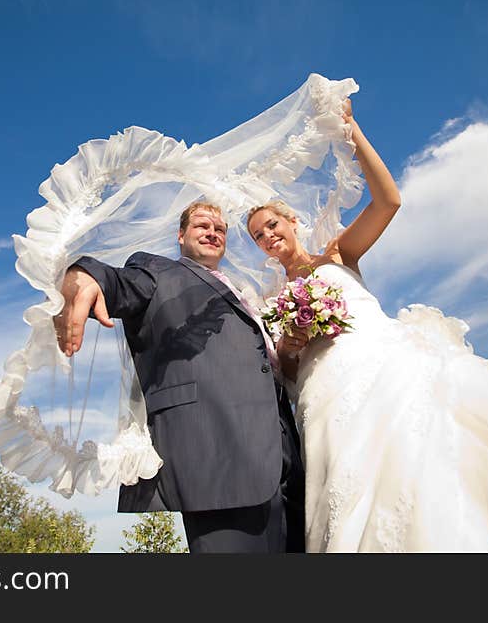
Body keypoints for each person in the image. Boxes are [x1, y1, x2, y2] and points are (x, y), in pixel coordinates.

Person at [246, 99, 488, 552]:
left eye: (273, 224)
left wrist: (354, 133)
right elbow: (287, 370)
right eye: (258, 236)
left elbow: (389, 201)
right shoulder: (271, 301)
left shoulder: (337, 254)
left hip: (384, 363)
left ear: (292, 222)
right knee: (352, 483)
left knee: (427, 453)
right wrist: (291, 344)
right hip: (325, 393)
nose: (269, 236)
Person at [55, 202, 305, 553]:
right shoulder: (156, 271)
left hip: (286, 459)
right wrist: (86, 275)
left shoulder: (245, 291)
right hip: (219, 459)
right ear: (181, 235)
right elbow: (119, 284)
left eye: (220, 229)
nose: (212, 232)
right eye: (202, 225)